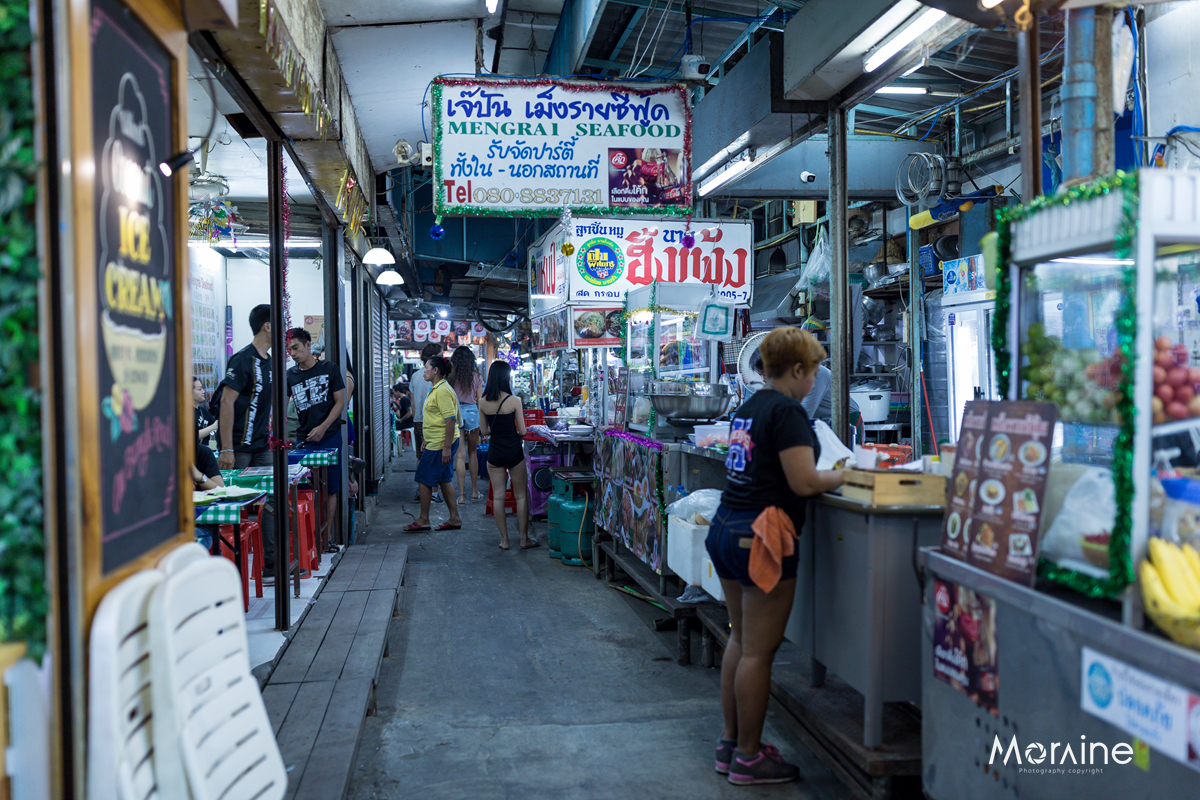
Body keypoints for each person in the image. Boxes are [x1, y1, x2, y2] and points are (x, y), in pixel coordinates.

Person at [707, 326, 846, 786]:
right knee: (758, 653)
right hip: (761, 536)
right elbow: (805, 482)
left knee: (741, 641)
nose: (815, 382)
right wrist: (848, 471)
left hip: (727, 527)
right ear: (799, 370)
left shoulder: (748, 407)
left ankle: (731, 744)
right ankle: (750, 756)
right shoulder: (788, 411)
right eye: (815, 372)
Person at [217, 304, 277, 573]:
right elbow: (226, 404)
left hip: (262, 444)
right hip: (238, 447)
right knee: (234, 504)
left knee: (274, 497)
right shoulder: (242, 359)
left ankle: (272, 563)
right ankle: (232, 569)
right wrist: (226, 448)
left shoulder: (271, 362)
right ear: (267, 326)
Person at [286, 327, 346, 555]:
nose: (292, 353)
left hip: (329, 436)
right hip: (304, 440)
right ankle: (307, 539)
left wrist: (322, 427)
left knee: (330, 488)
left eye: (296, 348)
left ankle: (326, 537)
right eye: (289, 349)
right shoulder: (290, 375)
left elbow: (340, 403)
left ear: (308, 345)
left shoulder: (329, 368)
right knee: (304, 489)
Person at [478, 361, 537, 550]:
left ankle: (504, 541)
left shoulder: (482, 402)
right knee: (520, 496)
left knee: (499, 497)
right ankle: (523, 539)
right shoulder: (514, 401)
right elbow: (522, 431)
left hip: (494, 452)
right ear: (506, 378)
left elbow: (484, 431)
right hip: (513, 451)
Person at [404, 355, 462, 532]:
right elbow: (436, 419)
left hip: (440, 444)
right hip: (435, 441)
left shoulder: (442, 390)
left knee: (423, 477)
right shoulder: (436, 388)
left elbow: (450, 420)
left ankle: (423, 519)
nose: (424, 371)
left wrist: (445, 448)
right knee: (444, 479)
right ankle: (454, 518)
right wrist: (427, 440)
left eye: (426, 367)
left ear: (436, 370)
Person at [449, 345, 483, 503]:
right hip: (472, 413)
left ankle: (461, 496)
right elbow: (480, 401)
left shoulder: (450, 376)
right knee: (473, 454)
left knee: (460, 456)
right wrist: (482, 422)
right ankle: (475, 491)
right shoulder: (476, 376)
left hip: (456, 414)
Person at [192, 432, 226, 552]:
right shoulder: (156, 458)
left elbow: (221, 490)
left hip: (198, 525)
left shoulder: (201, 453)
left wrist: (199, 477)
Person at [410, 342, 442, 455]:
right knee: (435, 456)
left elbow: (412, 403)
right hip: (435, 422)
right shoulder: (439, 376)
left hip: (418, 420)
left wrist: (416, 419)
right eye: (441, 356)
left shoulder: (415, 376)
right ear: (434, 357)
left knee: (420, 456)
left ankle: (420, 473)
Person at [193, 377, 218, 447]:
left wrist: (213, 450)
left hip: (207, 451)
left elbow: (213, 435)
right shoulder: (186, 413)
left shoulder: (203, 411)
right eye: (199, 389)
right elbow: (191, 437)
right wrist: (213, 427)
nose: (203, 391)